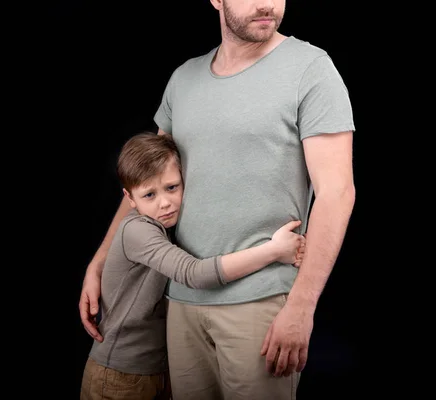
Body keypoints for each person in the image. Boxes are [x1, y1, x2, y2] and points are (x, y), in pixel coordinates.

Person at [80, 0, 356, 399]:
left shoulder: (310, 68)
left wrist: (301, 307)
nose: (266, 4)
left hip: (260, 303)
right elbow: (146, 183)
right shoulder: (184, 79)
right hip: (182, 302)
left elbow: (337, 193)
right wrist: (101, 260)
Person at [80, 132, 306, 400]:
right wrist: (273, 251)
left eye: (172, 187)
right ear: (130, 198)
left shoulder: (163, 226)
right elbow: (194, 273)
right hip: (119, 375)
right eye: (149, 194)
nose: (164, 202)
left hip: (154, 371)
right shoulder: (137, 230)